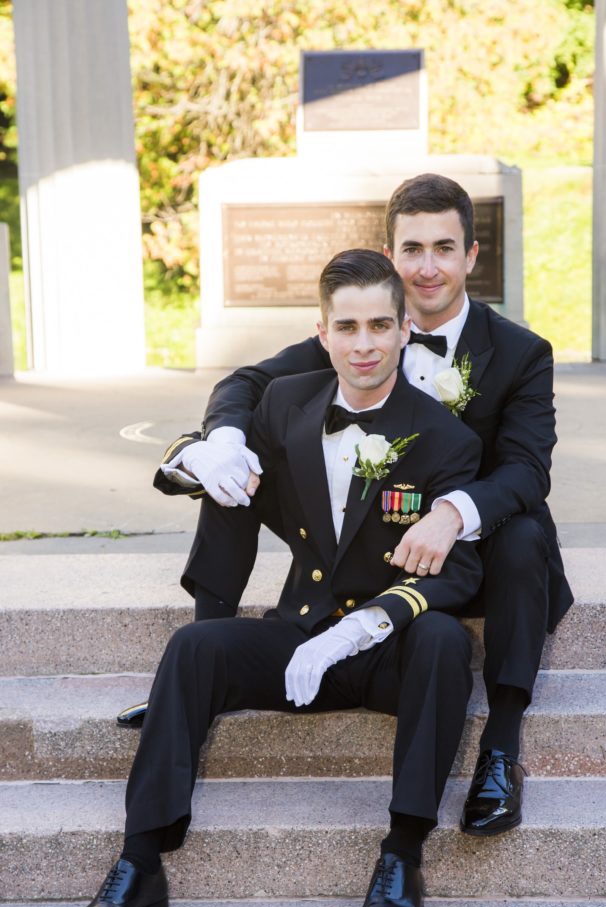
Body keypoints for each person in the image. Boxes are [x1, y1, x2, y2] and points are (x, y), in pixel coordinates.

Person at [121, 172, 574, 838]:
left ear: (471, 257)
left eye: (443, 248)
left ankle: (501, 747)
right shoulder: (365, 326)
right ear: (390, 257)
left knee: (522, 533)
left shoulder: (518, 352)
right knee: (238, 464)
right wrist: (221, 440)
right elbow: (246, 383)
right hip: (372, 541)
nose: (427, 267)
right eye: (411, 249)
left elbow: (527, 469)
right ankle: (200, 659)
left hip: (467, 550)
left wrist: (451, 513)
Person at [57, 250, 483, 907]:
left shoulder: (445, 437)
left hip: (383, 652)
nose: (364, 344)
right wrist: (194, 454)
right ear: (322, 333)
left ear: (405, 330)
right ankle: (139, 866)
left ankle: (401, 858)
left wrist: (367, 624)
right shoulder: (287, 403)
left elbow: (458, 573)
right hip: (299, 633)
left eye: (380, 325)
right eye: (347, 327)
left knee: (442, 639)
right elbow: (216, 459)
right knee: (194, 647)